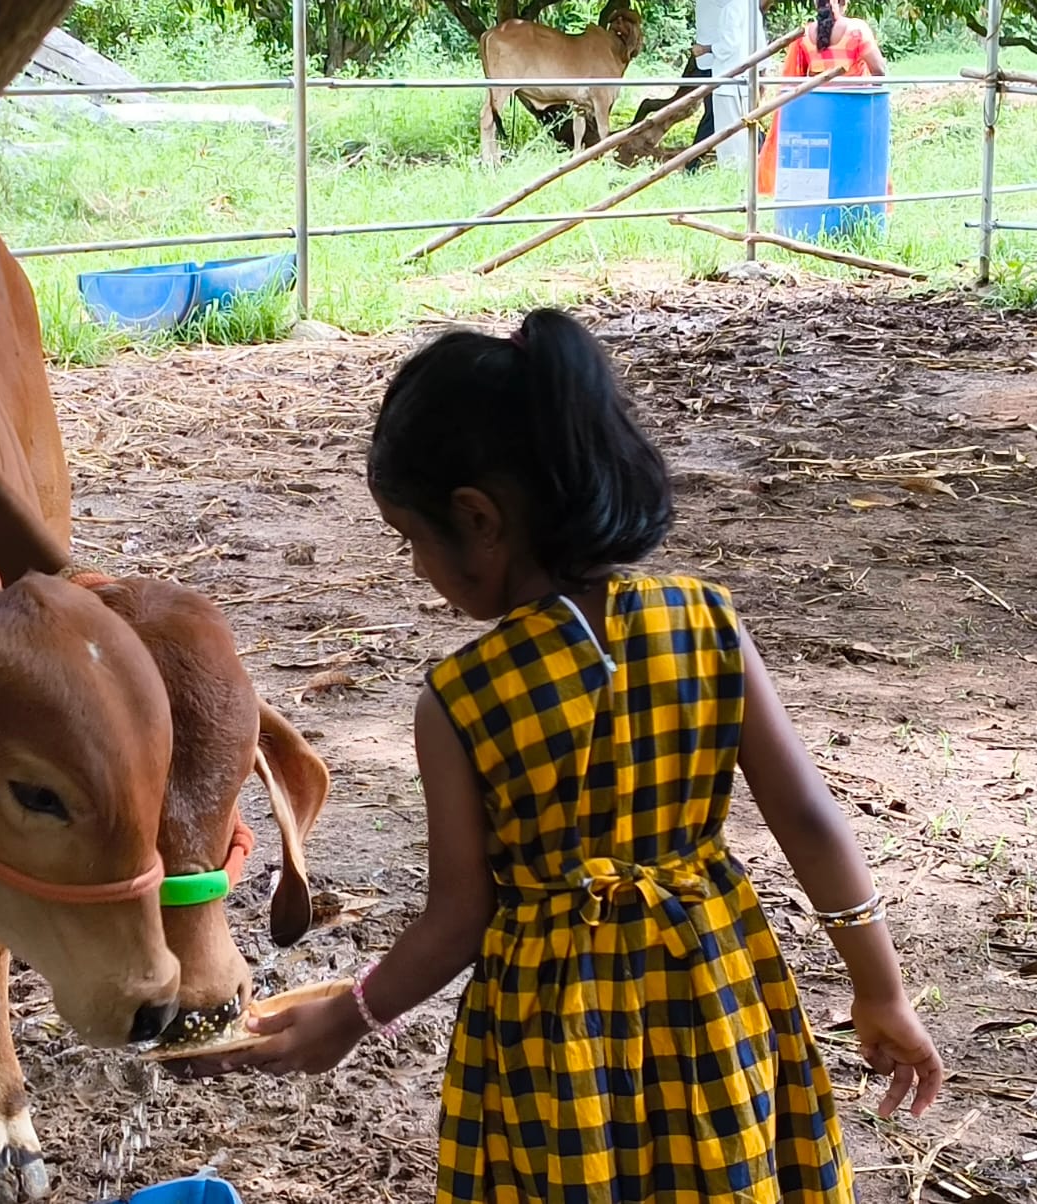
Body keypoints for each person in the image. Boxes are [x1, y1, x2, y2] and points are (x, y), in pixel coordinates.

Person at [182, 311, 943, 1203]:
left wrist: (350, 1017)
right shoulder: (707, 623)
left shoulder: (465, 699)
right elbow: (812, 822)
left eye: (413, 540)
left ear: (480, 520)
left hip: (555, 1032)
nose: (416, 567)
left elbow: (459, 919)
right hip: (716, 988)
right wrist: (880, 991)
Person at [758, 0, 889, 195]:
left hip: (818, 115)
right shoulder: (857, 30)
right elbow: (880, 71)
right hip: (854, 112)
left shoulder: (805, 36)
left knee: (825, 171)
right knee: (854, 168)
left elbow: (794, 80)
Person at [693, 0, 767, 168]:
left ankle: (732, 171)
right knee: (745, 129)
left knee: (729, 136)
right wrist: (763, 70)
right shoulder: (750, 6)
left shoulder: (730, 8)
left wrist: (706, 49)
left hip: (727, 80)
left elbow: (728, 46)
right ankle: (748, 171)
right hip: (748, 78)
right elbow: (761, 42)